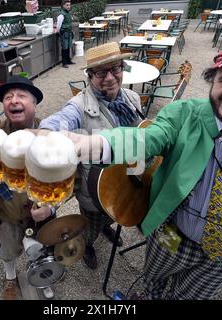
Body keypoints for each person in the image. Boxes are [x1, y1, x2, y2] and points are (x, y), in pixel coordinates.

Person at [64, 38, 222, 299]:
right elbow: (147, 138)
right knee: (153, 281)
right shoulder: (183, 113)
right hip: (172, 235)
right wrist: (95, 142)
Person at [39, 42, 143, 269]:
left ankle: (108, 227)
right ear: (89, 76)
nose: (110, 77)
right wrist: (44, 134)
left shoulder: (132, 98)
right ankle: (88, 245)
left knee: (115, 215)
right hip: (95, 189)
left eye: (115, 68)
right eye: (101, 72)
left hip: (125, 181)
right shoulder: (79, 105)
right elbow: (59, 120)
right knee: (91, 226)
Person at [0, 75, 55, 300]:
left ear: (34, 104)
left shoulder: (51, 135)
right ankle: (10, 277)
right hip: (10, 213)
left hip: (40, 213)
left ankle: (42, 276)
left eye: (22, 95)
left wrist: (50, 208)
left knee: (42, 248)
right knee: (9, 249)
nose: (14, 100)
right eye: (8, 97)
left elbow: (67, 180)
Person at [56, 0, 75, 68]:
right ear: (63, 5)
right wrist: (57, 32)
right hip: (64, 33)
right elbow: (58, 25)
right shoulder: (61, 14)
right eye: (67, 5)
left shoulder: (68, 13)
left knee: (68, 47)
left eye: (69, 5)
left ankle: (68, 60)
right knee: (64, 48)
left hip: (69, 32)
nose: (68, 6)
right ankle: (64, 63)